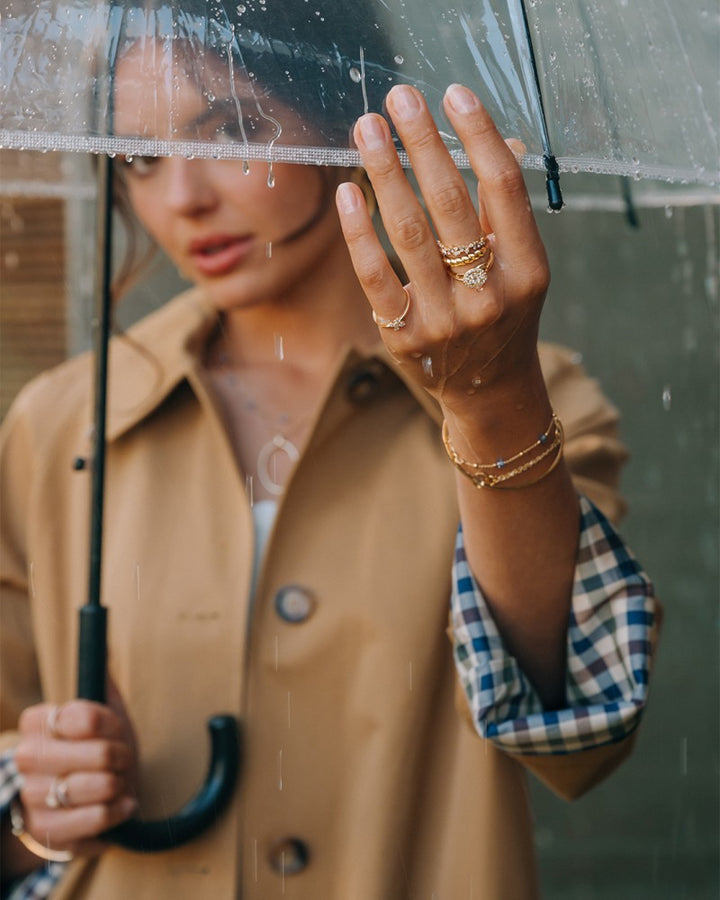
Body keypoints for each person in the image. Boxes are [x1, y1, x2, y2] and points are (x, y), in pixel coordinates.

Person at [0, 13, 659, 900]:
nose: (182, 198)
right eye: (138, 158)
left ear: (354, 120)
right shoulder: (59, 426)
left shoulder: (534, 401)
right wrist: (32, 808)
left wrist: (486, 399)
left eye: (232, 129)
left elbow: (582, 730)